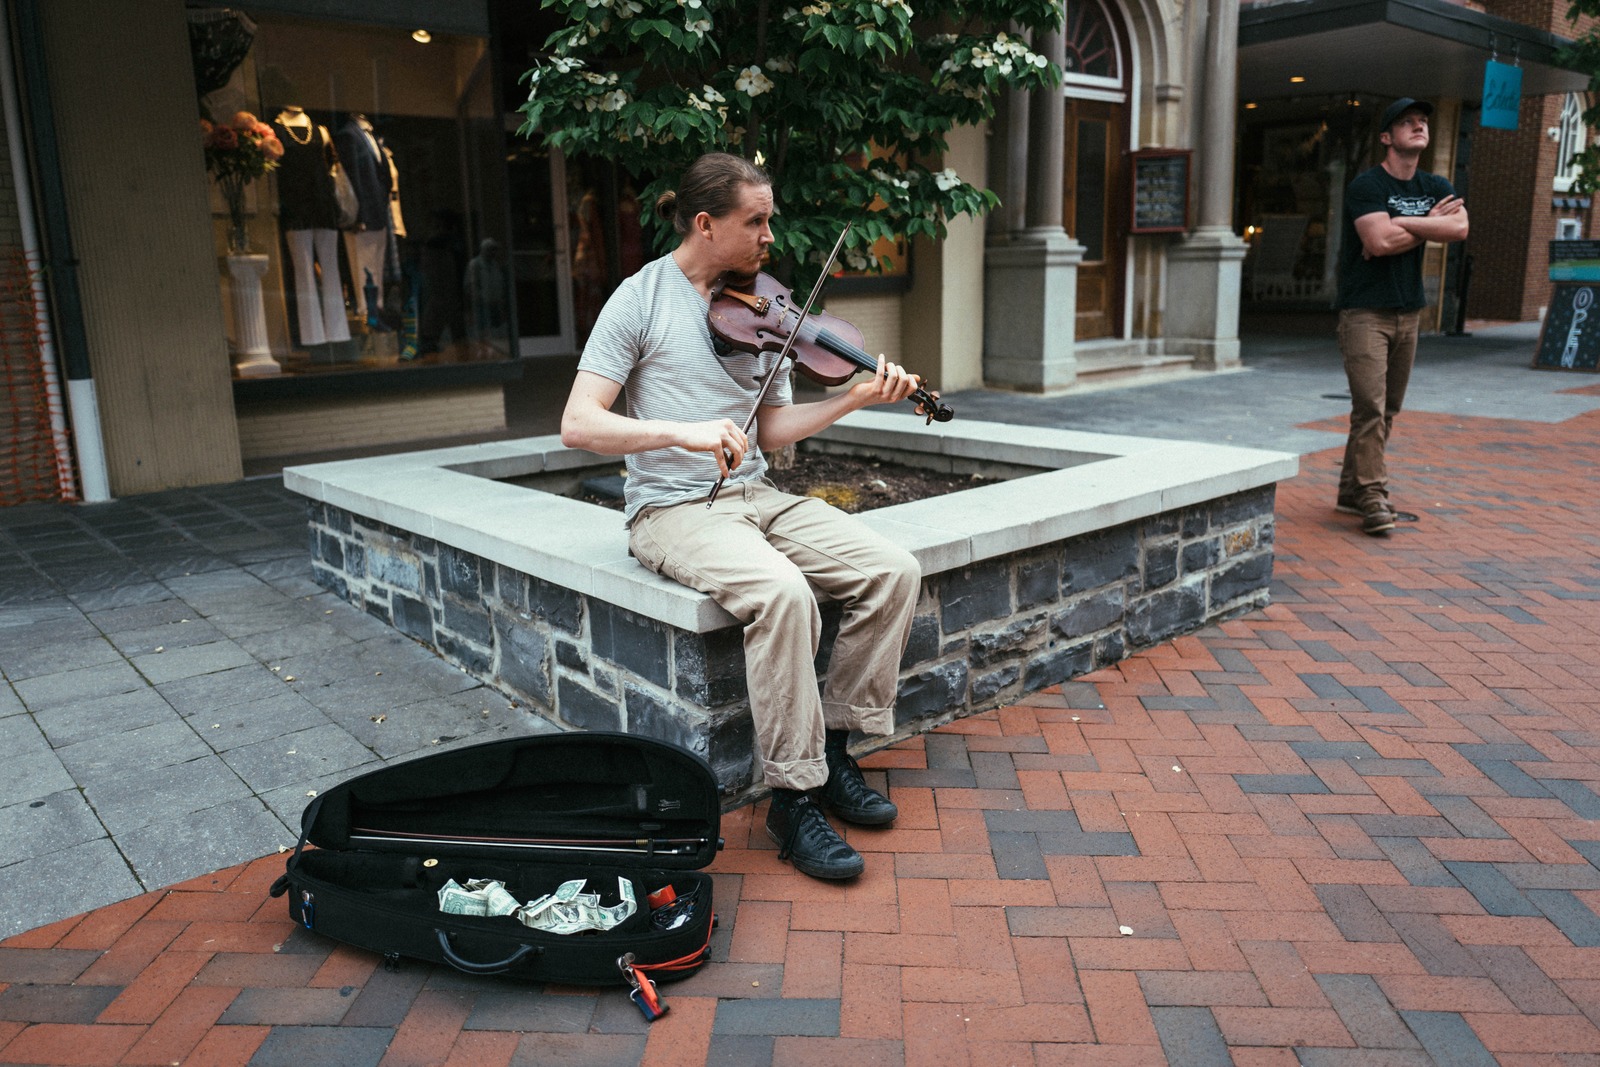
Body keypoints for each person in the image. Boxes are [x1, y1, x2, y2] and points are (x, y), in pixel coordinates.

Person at [561, 152, 928, 881]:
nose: (769, 235)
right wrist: (681, 430)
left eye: (769, 220)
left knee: (893, 570)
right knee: (783, 594)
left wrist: (853, 398)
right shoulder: (638, 300)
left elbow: (772, 430)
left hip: (755, 495)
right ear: (706, 223)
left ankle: (836, 757)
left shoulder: (762, 303)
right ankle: (793, 799)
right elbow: (577, 423)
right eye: (754, 221)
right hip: (674, 508)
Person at [1334, 97, 1468, 535]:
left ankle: (1351, 492)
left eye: (1423, 121)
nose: (1419, 126)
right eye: (1407, 122)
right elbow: (1378, 243)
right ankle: (1373, 496)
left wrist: (1408, 223)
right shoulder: (1366, 186)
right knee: (1369, 406)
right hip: (1364, 312)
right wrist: (1429, 223)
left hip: (1409, 312)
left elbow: (1460, 229)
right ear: (1387, 138)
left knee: (1387, 408)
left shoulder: (1435, 184)